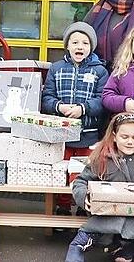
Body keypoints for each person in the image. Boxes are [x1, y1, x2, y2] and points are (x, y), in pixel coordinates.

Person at [66, 112, 134, 262]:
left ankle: (126, 247)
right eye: (124, 137)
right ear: (114, 136)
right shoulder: (102, 158)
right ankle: (78, 245)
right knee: (94, 228)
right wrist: (84, 196)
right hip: (106, 211)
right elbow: (81, 181)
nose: (130, 142)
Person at [41, 22, 109, 216]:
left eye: (85, 43)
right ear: (67, 46)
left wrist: (83, 108)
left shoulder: (100, 71)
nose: (80, 47)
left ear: (91, 47)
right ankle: (62, 206)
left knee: (84, 171)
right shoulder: (56, 68)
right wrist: (59, 106)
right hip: (61, 134)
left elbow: (102, 100)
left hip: (88, 134)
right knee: (62, 172)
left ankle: (82, 205)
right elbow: (47, 98)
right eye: (75, 42)